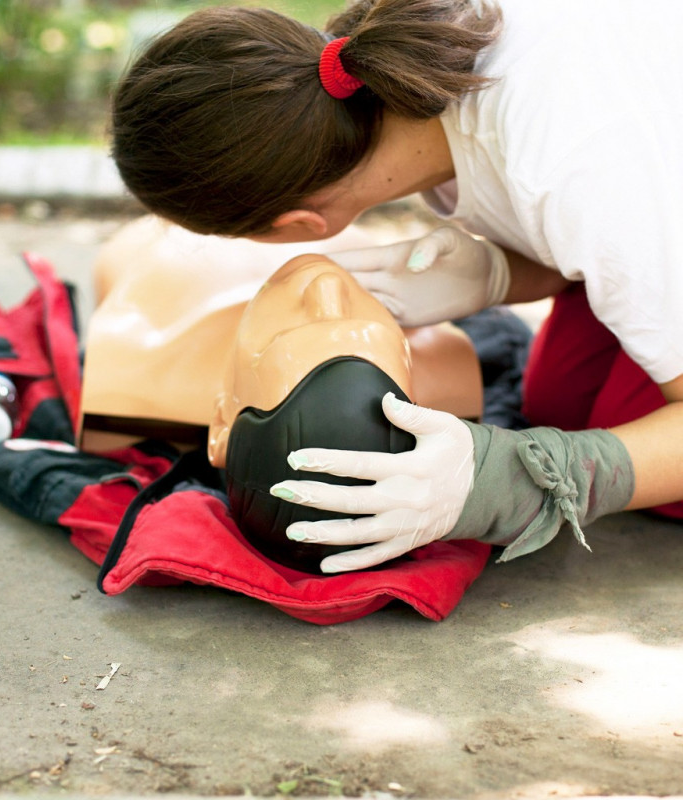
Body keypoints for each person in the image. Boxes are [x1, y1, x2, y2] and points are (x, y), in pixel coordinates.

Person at [110, 0, 683, 572]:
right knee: (568, 407)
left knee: (640, 462)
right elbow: (594, 232)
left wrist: (512, 480)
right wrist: (501, 272)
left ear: (300, 225)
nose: (325, 295)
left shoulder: (573, 164)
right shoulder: (407, 78)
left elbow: (598, 207)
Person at [81, 219, 486, 571]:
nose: (327, 286)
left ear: (220, 426)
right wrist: (496, 275)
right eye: (360, 321)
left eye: (290, 331)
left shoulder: (126, 362)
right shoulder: (454, 370)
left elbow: (126, 250)